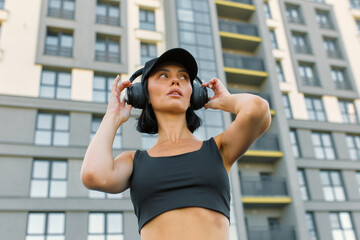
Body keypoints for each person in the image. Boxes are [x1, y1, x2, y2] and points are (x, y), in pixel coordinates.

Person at [81, 48, 271, 240]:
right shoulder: (134, 161)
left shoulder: (219, 149)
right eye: (163, 75)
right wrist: (112, 115)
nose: (175, 81)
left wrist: (224, 100)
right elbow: (94, 175)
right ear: (142, 94)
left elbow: (257, 109)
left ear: (195, 95)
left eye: (184, 77)